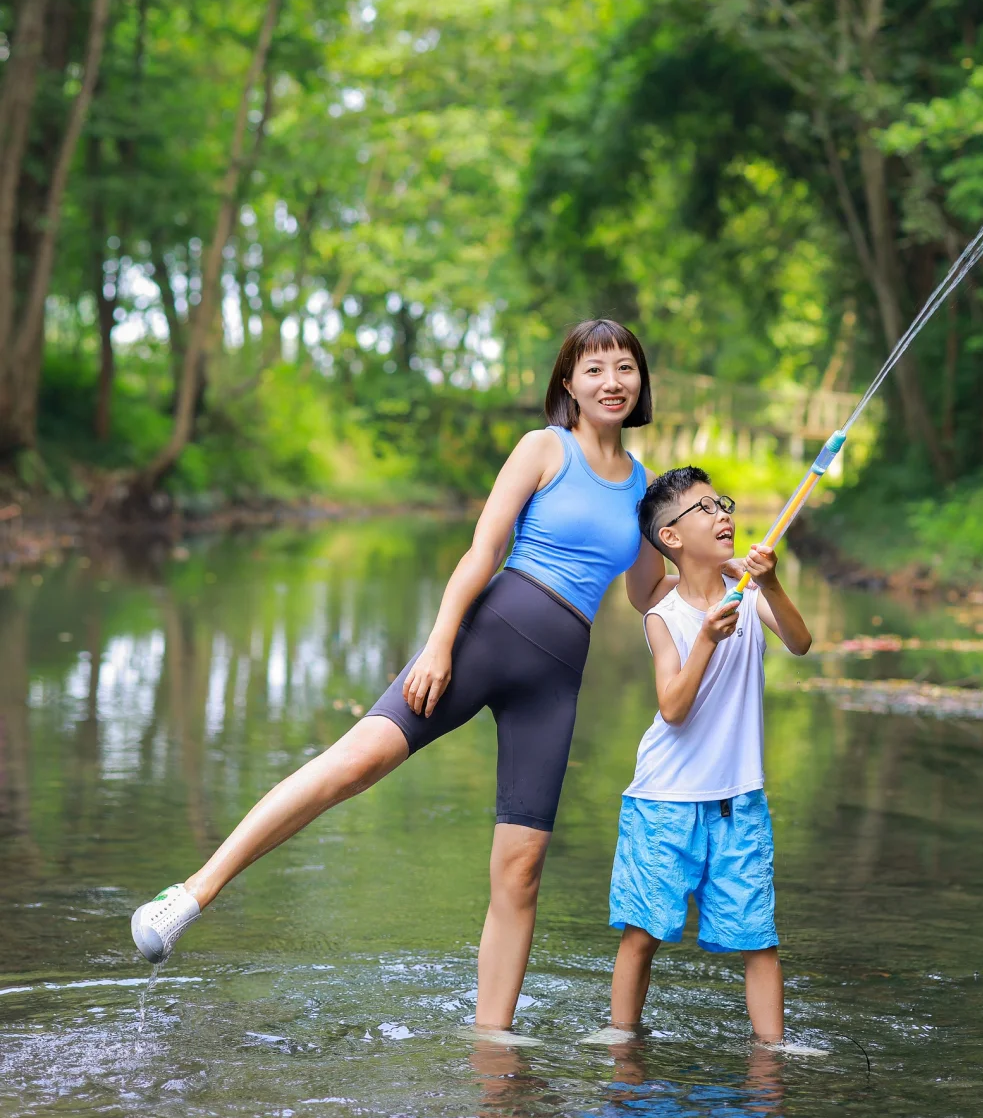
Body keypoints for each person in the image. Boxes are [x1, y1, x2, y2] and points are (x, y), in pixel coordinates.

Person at [130, 319, 673, 1034]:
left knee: (521, 870)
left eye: (624, 367)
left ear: (641, 383)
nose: (611, 381)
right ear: (568, 383)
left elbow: (646, 591)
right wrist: (439, 643)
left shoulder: (641, 488)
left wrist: (724, 575)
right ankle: (191, 895)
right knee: (354, 763)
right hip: (486, 635)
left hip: (555, 681)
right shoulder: (545, 449)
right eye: (595, 368)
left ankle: (492, 1041)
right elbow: (483, 551)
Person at [605, 465, 812, 1045]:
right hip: (664, 800)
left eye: (722, 504)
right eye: (705, 509)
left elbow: (800, 641)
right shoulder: (663, 616)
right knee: (643, 933)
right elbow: (672, 706)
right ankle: (624, 1046)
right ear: (670, 537)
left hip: (738, 799)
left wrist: (769, 584)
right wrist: (706, 640)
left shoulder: (744, 591)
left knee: (759, 938)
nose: (724, 515)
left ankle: (772, 1059)